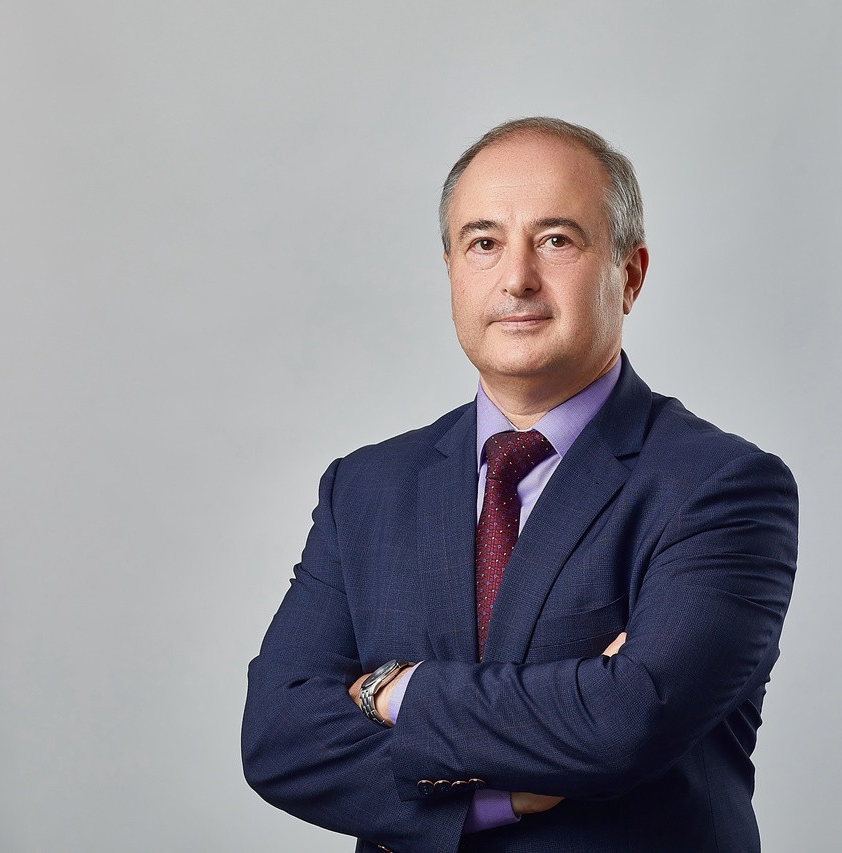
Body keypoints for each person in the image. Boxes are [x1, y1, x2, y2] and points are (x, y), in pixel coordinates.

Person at [242, 117, 798, 853]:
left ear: (629, 274)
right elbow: (278, 737)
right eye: (483, 242)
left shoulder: (721, 487)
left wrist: (393, 690)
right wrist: (497, 796)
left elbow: (627, 720)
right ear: (451, 270)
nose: (516, 278)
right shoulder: (366, 489)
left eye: (556, 240)